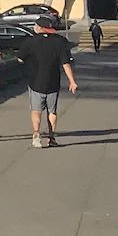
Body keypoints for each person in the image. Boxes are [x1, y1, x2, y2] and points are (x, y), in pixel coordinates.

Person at [11, 15, 78, 148]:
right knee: (52, 111)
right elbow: (65, 63)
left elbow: (20, 59)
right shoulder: (59, 42)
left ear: (40, 28)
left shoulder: (30, 42)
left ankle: (36, 134)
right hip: (53, 82)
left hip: (35, 82)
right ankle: (51, 137)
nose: (34, 27)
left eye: (35, 25)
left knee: (36, 111)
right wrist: (72, 81)